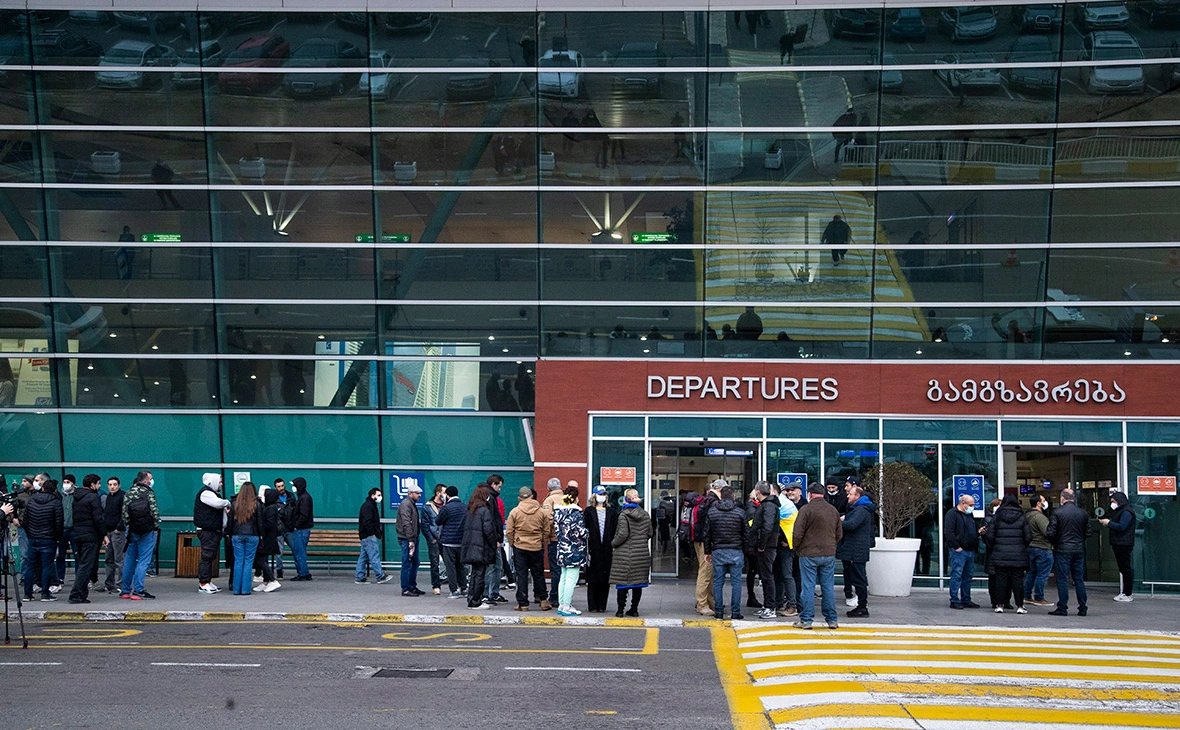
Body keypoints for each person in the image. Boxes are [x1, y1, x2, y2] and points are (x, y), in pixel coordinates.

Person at [792, 483, 843, 630]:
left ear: (810, 494)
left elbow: (797, 533)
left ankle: (806, 620)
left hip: (808, 553)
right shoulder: (832, 510)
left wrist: (797, 548)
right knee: (828, 587)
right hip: (828, 553)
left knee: (808, 586)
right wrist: (831, 545)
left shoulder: (806, 509)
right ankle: (832, 620)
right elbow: (839, 533)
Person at [1047, 488, 1093, 616]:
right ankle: (1082, 607)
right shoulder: (1083, 513)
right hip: (1078, 549)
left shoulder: (1057, 513)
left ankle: (1062, 607)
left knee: (1062, 579)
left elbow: (1051, 533)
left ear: (1062, 498)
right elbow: (1088, 532)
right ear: (1074, 498)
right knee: (1078, 579)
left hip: (1062, 549)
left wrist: (1056, 543)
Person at [984, 494, 1031, 614]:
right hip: (1018, 554)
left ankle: (999, 605)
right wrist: (1022, 547)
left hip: (1000, 553)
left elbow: (990, 535)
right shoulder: (1022, 515)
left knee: (1000, 580)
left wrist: (994, 546)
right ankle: (1020, 606)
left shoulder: (998, 515)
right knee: (1017, 581)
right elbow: (1028, 536)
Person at [507, 486, 551, 611]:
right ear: (532, 496)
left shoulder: (515, 511)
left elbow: (510, 531)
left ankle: (523, 603)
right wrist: (542, 542)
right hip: (536, 545)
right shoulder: (541, 511)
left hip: (520, 545)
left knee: (522, 575)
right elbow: (546, 530)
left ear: (519, 498)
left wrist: (512, 543)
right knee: (538, 573)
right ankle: (543, 600)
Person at [706, 485, 746, 620]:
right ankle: (735, 612)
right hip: (736, 550)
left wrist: (707, 551)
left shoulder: (712, 512)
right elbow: (746, 534)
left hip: (718, 550)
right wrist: (745, 550)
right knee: (736, 583)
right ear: (733, 496)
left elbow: (707, 534)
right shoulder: (740, 513)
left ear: (720, 496)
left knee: (718, 582)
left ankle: (718, 611)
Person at [610, 488, 652, 617]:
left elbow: (622, 534)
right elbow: (650, 533)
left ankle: (620, 610)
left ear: (625, 500)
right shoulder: (645, 514)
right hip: (641, 554)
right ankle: (634, 609)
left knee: (623, 584)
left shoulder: (624, 515)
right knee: (637, 583)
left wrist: (613, 543)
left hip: (624, 554)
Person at [837, 485, 876, 618]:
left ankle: (862, 607)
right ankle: (861, 606)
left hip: (856, 551)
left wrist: (838, 522)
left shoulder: (861, 509)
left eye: (850, 494)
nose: (847, 496)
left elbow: (851, 525)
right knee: (857, 579)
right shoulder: (858, 509)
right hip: (854, 550)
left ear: (857, 496)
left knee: (859, 580)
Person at [120, 470, 159, 600]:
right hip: (147, 531)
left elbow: (124, 514)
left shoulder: (129, 493)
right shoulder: (148, 493)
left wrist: (128, 527)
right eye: (150, 479)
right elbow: (154, 512)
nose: (151, 481)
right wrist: (155, 527)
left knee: (129, 560)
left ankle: (125, 590)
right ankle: (138, 590)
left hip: (132, 531)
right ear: (145, 480)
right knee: (143, 561)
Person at [23, 476, 63, 602]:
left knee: (31, 566)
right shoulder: (56, 503)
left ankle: (27, 594)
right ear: (54, 490)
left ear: (43, 488)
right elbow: (59, 522)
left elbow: (25, 520)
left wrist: (30, 534)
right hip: (49, 538)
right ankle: (45, 593)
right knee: (47, 566)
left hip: (33, 537)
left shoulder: (32, 500)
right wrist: (57, 538)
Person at [554, 485, 589, 616]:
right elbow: (580, 532)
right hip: (574, 550)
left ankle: (562, 604)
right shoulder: (576, 514)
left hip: (562, 549)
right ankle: (567, 606)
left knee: (563, 577)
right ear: (575, 499)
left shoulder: (558, 513)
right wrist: (587, 532)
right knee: (571, 579)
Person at [461, 483, 497, 610]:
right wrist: (493, 544)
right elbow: (488, 530)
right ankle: (476, 601)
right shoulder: (484, 511)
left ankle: (472, 599)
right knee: (480, 574)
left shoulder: (470, 510)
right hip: (481, 547)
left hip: (471, 546)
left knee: (474, 575)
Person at [749, 481, 781, 620]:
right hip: (766, 545)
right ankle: (768, 605)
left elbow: (767, 527)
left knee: (767, 577)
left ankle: (770, 607)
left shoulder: (768, 506)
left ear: (758, 492)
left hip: (767, 547)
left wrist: (761, 545)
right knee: (765, 576)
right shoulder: (769, 505)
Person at [582, 485, 616, 613]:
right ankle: (593, 605)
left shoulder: (611, 512)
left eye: (604, 494)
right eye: (600, 494)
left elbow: (614, 529)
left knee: (605, 578)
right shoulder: (589, 511)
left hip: (607, 549)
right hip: (593, 549)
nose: (602, 496)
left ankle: (602, 605)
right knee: (592, 579)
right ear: (594, 496)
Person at [194, 473, 229, 594]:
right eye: (219, 482)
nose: (221, 484)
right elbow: (218, 503)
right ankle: (203, 583)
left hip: (213, 531)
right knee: (207, 557)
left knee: (210, 557)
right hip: (207, 531)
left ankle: (208, 581)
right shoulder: (206, 493)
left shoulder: (212, 494)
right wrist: (228, 503)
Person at [944, 494, 981, 609]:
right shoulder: (952, 514)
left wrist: (978, 532)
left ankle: (966, 598)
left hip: (969, 549)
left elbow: (971, 530)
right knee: (957, 574)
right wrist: (956, 546)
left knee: (967, 576)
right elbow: (949, 532)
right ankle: (954, 599)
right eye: (970, 505)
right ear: (963, 503)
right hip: (959, 550)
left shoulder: (969, 515)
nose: (972, 507)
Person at [694, 479, 724, 616]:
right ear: (720, 490)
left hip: (702, 540)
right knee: (705, 573)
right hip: (705, 542)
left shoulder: (707, 500)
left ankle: (710, 602)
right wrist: (708, 548)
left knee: (709, 573)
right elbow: (708, 527)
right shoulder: (713, 502)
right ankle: (702, 604)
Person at [228, 482, 263, 596]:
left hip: (237, 534)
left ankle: (236, 589)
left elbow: (230, 522)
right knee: (248, 562)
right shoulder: (256, 504)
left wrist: (229, 533)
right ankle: (245, 590)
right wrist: (261, 534)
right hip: (252, 534)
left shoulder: (234, 504)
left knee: (238, 561)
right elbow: (260, 522)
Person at [1101, 491, 1136, 602]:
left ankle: (1127, 593)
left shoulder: (1126, 512)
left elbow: (1122, 526)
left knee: (1125, 568)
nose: (1112, 503)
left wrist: (1109, 523)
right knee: (1123, 568)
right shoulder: (1119, 511)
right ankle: (1125, 592)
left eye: (1113, 501)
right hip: (1119, 542)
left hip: (1123, 543)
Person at [775, 483, 804, 617]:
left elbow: (795, 527)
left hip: (789, 546)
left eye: (793, 490)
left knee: (788, 576)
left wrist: (788, 541)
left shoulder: (785, 505)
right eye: (788, 490)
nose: (790, 492)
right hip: (785, 544)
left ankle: (793, 605)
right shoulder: (787, 505)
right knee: (781, 576)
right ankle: (781, 602)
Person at [436, 485, 468, 598]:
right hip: (461, 541)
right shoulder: (465, 507)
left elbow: (438, 521)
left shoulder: (447, 508)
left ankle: (454, 590)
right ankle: (464, 588)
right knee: (461, 566)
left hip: (448, 542)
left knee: (450, 567)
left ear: (448, 495)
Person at [355, 487, 392, 585]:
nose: (380, 497)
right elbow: (368, 522)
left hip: (365, 535)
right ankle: (380, 576)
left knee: (363, 557)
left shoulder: (369, 505)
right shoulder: (369, 506)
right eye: (378, 495)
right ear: (372, 495)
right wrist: (372, 532)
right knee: (374, 556)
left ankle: (359, 576)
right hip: (368, 535)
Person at [1023, 495, 1054, 606]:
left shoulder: (1027, 515)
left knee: (1031, 572)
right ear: (1038, 503)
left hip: (1031, 547)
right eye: (1044, 500)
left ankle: (1026, 595)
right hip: (1042, 547)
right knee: (1042, 574)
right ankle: (1039, 597)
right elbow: (1047, 532)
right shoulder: (1040, 517)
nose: (1046, 502)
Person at [52, 475, 79, 593]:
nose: (65, 484)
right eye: (64, 482)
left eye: (68, 482)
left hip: (74, 529)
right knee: (60, 555)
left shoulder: (77, 495)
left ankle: (79, 577)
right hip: (62, 529)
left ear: (73, 483)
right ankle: (60, 577)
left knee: (77, 554)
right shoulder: (59, 496)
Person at [396, 483, 424, 597]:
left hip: (412, 537)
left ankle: (412, 586)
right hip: (407, 539)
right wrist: (411, 540)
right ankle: (406, 588)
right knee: (407, 563)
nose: (419, 495)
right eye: (417, 493)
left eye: (420, 493)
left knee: (415, 562)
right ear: (410, 493)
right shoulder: (406, 504)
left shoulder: (411, 504)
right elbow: (406, 523)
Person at [99, 476, 126, 593]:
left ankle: (121, 584)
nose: (112, 487)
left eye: (114, 484)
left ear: (119, 485)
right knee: (109, 558)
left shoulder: (122, 496)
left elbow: (124, 514)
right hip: (108, 531)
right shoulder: (108, 497)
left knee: (119, 559)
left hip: (117, 532)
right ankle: (109, 584)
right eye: (110, 484)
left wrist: (118, 528)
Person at [254, 487, 282, 592]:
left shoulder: (270, 508)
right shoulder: (271, 507)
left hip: (267, 538)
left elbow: (269, 524)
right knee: (263, 559)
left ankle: (272, 580)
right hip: (269, 537)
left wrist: (260, 525)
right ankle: (266, 581)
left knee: (260, 559)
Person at [541, 477, 565, 606]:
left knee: (555, 569)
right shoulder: (567, 498)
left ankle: (555, 597)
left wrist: (547, 536)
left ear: (548, 488)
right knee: (565, 570)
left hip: (555, 538)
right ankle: (565, 597)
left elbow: (547, 519)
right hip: (568, 539)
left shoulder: (549, 500)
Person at [420, 485, 447, 595]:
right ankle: (436, 585)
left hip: (446, 538)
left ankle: (455, 586)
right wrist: (431, 539)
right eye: (444, 492)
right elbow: (425, 525)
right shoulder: (428, 507)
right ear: (438, 493)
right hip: (434, 538)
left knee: (450, 563)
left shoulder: (447, 506)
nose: (445, 495)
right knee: (435, 563)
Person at [287, 477, 314, 581]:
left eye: (294, 485)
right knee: (300, 551)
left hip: (301, 529)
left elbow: (304, 515)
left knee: (299, 552)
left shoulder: (304, 498)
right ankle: (305, 572)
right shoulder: (304, 497)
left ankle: (302, 573)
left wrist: (296, 525)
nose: (293, 487)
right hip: (302, 528)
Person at [743, 488, 762, 609]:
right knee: (754, 571)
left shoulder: (752, 508)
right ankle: (751, 596)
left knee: (753, 571)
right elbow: (752, 529)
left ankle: (752, 596)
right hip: (753, 546)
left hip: (752, 545)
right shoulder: (752, 509)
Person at [271, 478, 292, 579]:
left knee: (295, 549)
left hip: (289, 528)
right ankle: (279, 571)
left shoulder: (291, 497)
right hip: (279, 529)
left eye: (282, 486)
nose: (281, 488)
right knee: (279, 552)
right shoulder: (274, 499)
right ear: (275, 487)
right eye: (279, 486)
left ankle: (301, 572)